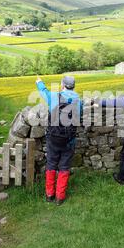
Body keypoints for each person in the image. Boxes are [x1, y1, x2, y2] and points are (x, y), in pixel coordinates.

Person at [36, 76, 81, 205]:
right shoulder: (78, 100)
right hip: (69, 140)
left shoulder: (54, 96)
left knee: (51, 164)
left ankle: (49, 194)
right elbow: (79, 116)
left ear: (62, 85)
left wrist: (39, 82)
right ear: (73, 86)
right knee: (64, 166)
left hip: (53, 138)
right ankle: (60, 198)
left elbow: (43, 92)